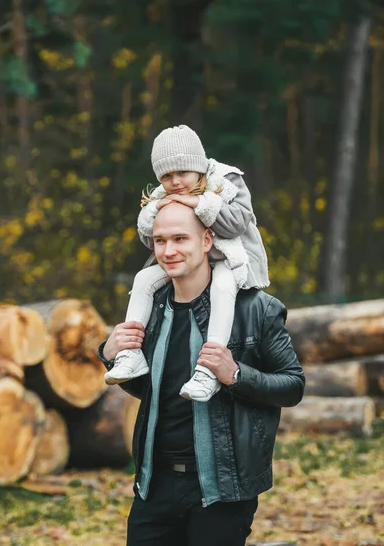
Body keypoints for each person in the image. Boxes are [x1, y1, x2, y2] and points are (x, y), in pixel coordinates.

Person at [98, 201, 305, 546]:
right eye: (160, 241)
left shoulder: (256, 309)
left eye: (181, 239)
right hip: (155, 485)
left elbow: (293, 385)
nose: (169, 250)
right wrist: (109, 354)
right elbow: (152, 388)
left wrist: (235, 374)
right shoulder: (152, 307)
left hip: (221, 490)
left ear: (207, 241)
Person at [104, 124, 270, 402]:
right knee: (142, 279)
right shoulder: (162, 196)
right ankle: (130, 353)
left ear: (200, 167)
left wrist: (198, 204)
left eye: (183, 172)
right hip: (189, 264)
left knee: (222, 287)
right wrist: (156, 212)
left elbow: (238, 224)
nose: (176, 181)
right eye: (167, 176)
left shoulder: (226, 181)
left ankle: (209, 367)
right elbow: (151, 238)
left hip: (229, 259)